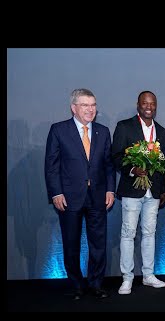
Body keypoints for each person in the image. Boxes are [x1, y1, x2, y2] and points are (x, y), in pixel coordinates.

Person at [45, 88, 115, 300]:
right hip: (69, 198)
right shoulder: (58, 130)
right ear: (73, 108)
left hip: (97, 197)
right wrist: (56, 193)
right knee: (71, 244)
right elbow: (51, 166)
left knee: (98, 244)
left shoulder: (102, 132)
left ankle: (95, 284)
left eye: (93, 105)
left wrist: (110, 189)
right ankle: (76, 285)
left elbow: (108, 166)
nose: (90, 109)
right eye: (85, 105)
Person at [112, 91, 165, 295]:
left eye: (152, 103)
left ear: (156, 106)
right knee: (128, 234)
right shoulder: (124, 126)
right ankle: (127, 278)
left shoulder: (161, 131)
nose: (149, 107)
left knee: (149, 234)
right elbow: (116, 156)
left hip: (152, 192)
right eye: (145, 103)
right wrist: (133, 169)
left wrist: (163, 191)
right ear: (138, 105)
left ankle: (148, 275)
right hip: (131, 190)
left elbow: (163, 164)